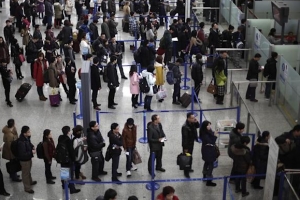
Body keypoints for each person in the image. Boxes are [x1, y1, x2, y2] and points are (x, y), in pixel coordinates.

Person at [58, 126, 81, 194]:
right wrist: (74, 159)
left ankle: (64, 185)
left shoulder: (60, 138)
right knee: (71, 175)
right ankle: (72, 189)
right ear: (68, 132)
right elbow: (71, 151)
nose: (71, 131)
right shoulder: (68, 141)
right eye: (70, 130)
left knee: (64, 173)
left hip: (62, 159)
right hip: (68, 160)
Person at [17, 126, 37, 194]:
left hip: (28, 158)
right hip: (24, 160)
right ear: (24, 133)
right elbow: (23, 154)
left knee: (28, 171)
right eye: (28, 132)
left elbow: (29, 143)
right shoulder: (21, 142)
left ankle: (30, 182)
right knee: (25, 173)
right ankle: (27, 188)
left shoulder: (26, 138)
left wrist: (32, 146)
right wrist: (31, 152)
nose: (30, 133)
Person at [199, 120, 218, 186]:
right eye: (208, 125)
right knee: (210, 165)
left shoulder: (207, 131)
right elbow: (211, 142)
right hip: (208, 151)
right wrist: (215, 136)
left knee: (206, 162)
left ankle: (204, 176)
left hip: (207, 149)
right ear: (205, 126)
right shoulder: (204, 134)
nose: (209, 126)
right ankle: (209, 180)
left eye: (210, 125)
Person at [181, 112, 200, 178]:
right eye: (192, 118)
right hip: (187, 145)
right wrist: (185, 148)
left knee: (190, 156)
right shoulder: (185, 127)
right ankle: (186, 172)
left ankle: (189, 168)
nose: (193, 119)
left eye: (194, 118)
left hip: (191, 142)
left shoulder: (192, 123)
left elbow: (198, 126)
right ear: (188, 118)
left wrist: (196, 121)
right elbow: (185, 138)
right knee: (186, 158)